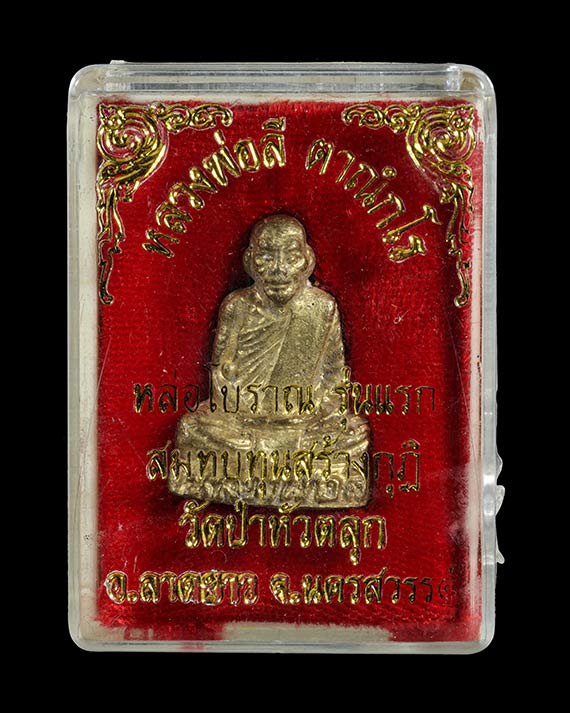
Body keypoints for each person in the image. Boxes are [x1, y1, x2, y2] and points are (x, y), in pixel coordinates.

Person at [171, 213, 370, 508]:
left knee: (355, 433)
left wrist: (319, 408)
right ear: (250, 261)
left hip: (304, 424)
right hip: (245, 424)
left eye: (291, 257)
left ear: (307, 261)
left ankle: (262, 468)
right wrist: (244, 405)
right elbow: (221, 374)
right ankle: (281, 469)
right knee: (192, 428)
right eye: (266, 257)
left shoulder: (322, 307)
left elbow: (334, 377)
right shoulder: (237, 306)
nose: (279, 270)